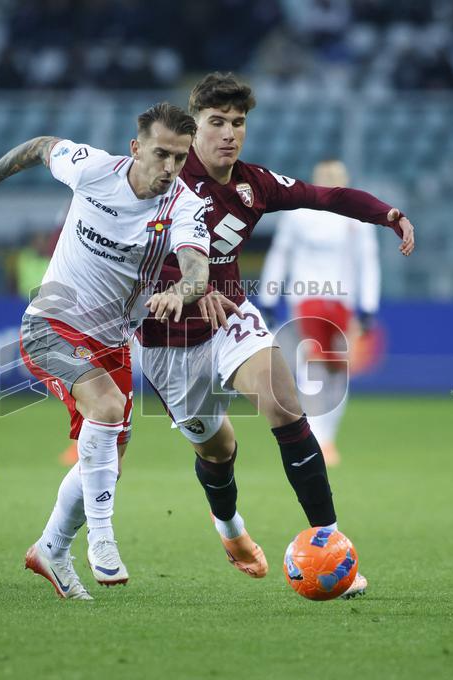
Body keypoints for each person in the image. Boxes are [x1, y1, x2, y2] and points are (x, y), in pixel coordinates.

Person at [136, 73, 414, 596]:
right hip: (166, 340)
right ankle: (229, 528)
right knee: (217, 450)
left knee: (285, 404)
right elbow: (131, 255)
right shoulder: (163, 179)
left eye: (238, 123)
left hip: (230, 321)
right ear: (193, 127)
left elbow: (325, 196)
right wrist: (185, 287)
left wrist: (388, 215)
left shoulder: (253, 185)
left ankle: (329, 542)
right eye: (216, 122)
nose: (229, 133)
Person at [0, 102, 222, 600]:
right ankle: (101, 539)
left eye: (179, 158)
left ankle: (50, 548)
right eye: (161, 154)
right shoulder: (93, 168)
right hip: (50, 324)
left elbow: (196, 273)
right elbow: (39, 147)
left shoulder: (184, 205)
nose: (169, 168)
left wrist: (180, 293)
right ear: (135, 148)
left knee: (105, 465)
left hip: (113, 339)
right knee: (106, 407)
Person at [259, 159, 381, 467]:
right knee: (311, 364)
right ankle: (315, 433)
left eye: (335, 175)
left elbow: (368, 262)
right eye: (325, 175)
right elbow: (280, 255)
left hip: (343, 300)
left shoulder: (356, 218)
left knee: (339, 368)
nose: (330, 179)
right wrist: (269, 296)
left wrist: (368, 305)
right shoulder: (299, 214)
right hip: (307, 296)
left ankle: (327, 436)